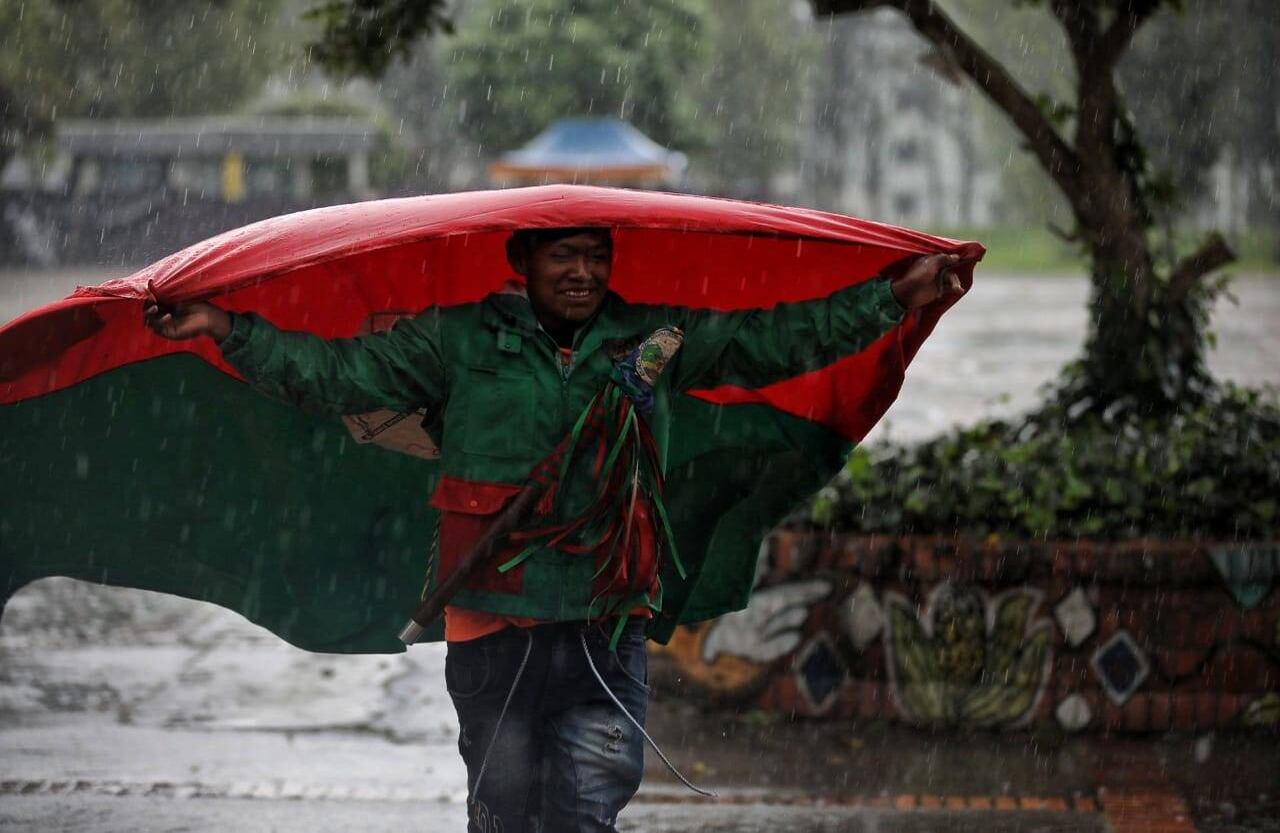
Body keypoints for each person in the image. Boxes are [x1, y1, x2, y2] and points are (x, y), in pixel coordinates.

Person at [143, 227, 961, 832]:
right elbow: (336, 374)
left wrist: (893, 296)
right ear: (521, 260)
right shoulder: (455, 340)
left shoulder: (657, 339)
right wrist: (228, 329)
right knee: (502, 813)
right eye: (562, 255)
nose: (582, 272)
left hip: (608, 623)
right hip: (493, 622)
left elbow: (778, 340)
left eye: (596, 256)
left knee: (588, 810)